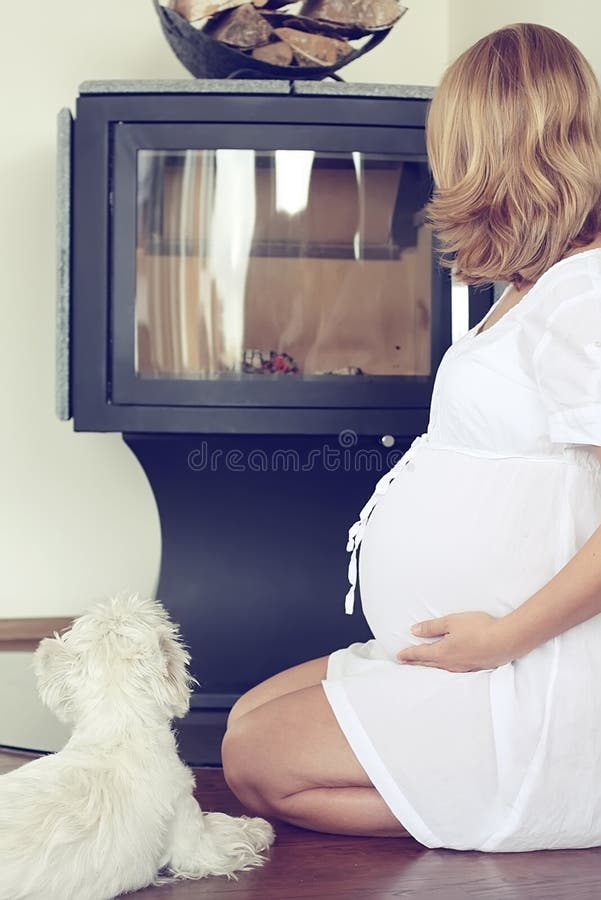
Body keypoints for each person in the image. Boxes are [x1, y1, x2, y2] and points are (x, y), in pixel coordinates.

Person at [221, 23, 601, 852]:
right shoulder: (532, 290)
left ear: (492, 151)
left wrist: (504, 637)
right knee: (249, 716)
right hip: (469, 654)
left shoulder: (582, 297)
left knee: (256, 761)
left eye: (450, 146)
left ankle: (552, 801)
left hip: (520, 668)